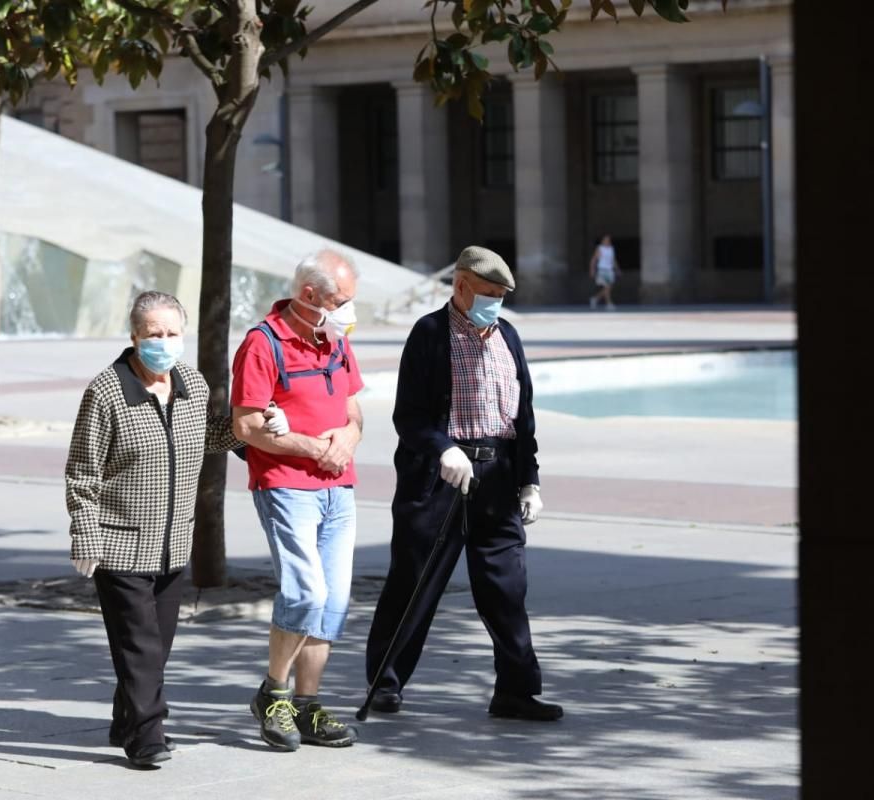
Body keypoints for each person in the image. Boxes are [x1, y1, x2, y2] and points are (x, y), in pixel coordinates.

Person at [64, 290, 286, 767]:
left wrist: (255, 422)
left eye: (171, 333)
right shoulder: (106, 391)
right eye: (153, 334)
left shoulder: (191, 381)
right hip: (121, 542)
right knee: (140, 647)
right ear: (134, 337)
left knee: (155, 650)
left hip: (173, 544)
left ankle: (127, 717)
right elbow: (82, 472)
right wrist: (85, 535)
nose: (163, 343)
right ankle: (147, 737)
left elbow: (209, 437)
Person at [363, 245, 563, 723]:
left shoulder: (508, 337)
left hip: (496, 479)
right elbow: (407, 416)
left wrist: (529, 481)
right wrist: (442, 447)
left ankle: (516, 690)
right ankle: (385, 682)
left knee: (507, 588)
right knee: (414, 583)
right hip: (440, 479)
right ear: (461, 286)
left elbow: (523, 418)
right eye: (489, 293)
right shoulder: (429, 334)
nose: (495, 302)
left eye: (501, 295)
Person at [231, 249, 365, 751]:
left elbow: (355, 413)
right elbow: (244, 427)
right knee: (304, 592)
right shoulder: (262, 344)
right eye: (340, 301)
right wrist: (311, 448)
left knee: (331, 601)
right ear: (309, 296)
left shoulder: (335, 340)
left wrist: (346, 441)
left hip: (339, 485)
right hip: (287, 485)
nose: (348, 312)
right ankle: (275, 693)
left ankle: (307, 706)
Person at [589, 234, 619, 310]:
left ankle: (595, 298)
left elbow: (613, 260)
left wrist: (617, 269)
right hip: (602, 269)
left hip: (610, 270)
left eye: (608, 240)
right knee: (607, 287)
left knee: (608, 288)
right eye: (605, 239)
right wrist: (592, 269)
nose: (607, 241)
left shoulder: (611, 249)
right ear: (602, 241)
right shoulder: (600, 248)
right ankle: (609, 304)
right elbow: (594, 259)